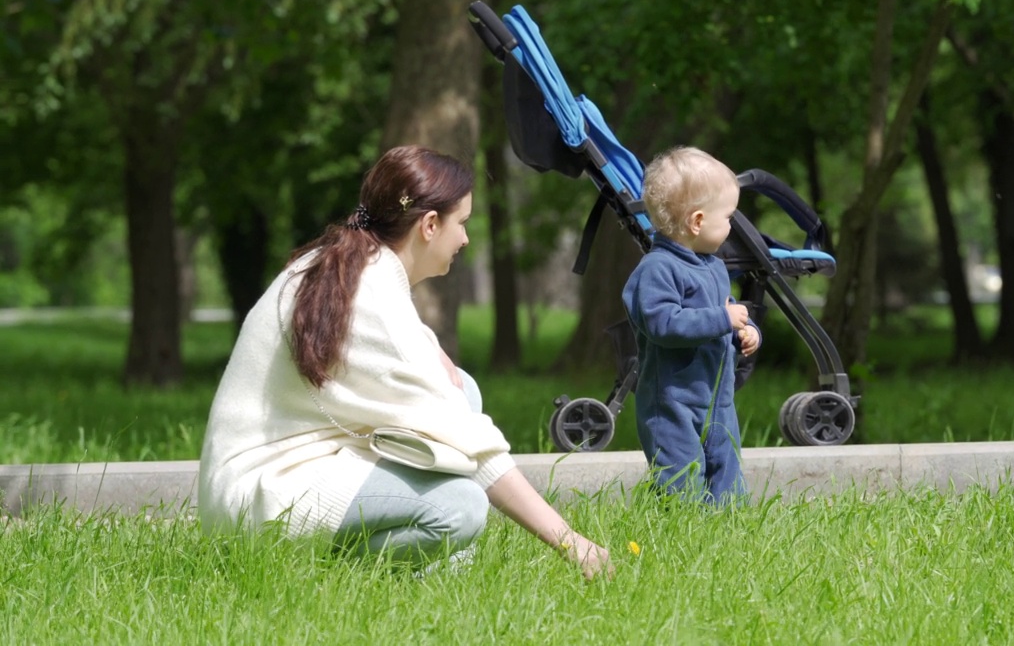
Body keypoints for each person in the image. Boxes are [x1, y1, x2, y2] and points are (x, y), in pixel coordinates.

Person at [198, 145, 610, 578]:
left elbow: (406, 360)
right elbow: (476, 449)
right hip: (257, 504)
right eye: (462, 223)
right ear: (430, 225)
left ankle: (427, 564)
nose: (466, 239)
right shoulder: (368, 295)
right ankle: (328, 576)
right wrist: (571, 543)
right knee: (460, 507)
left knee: (462, 392)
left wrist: (432, 350)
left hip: (267, 478)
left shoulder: (345, 263)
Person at [621, 146, 761, 504]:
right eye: (728, 216)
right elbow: (663, 324)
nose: (731, 224)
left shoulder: (712, 266)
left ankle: (727, 530)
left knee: (726, 470)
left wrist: (742, 331)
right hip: (672, 401)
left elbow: (722, 311)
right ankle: (679, 528)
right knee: (679, 478)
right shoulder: (657, 269)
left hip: (717, 398)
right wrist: (722, 318)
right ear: (697, 221)